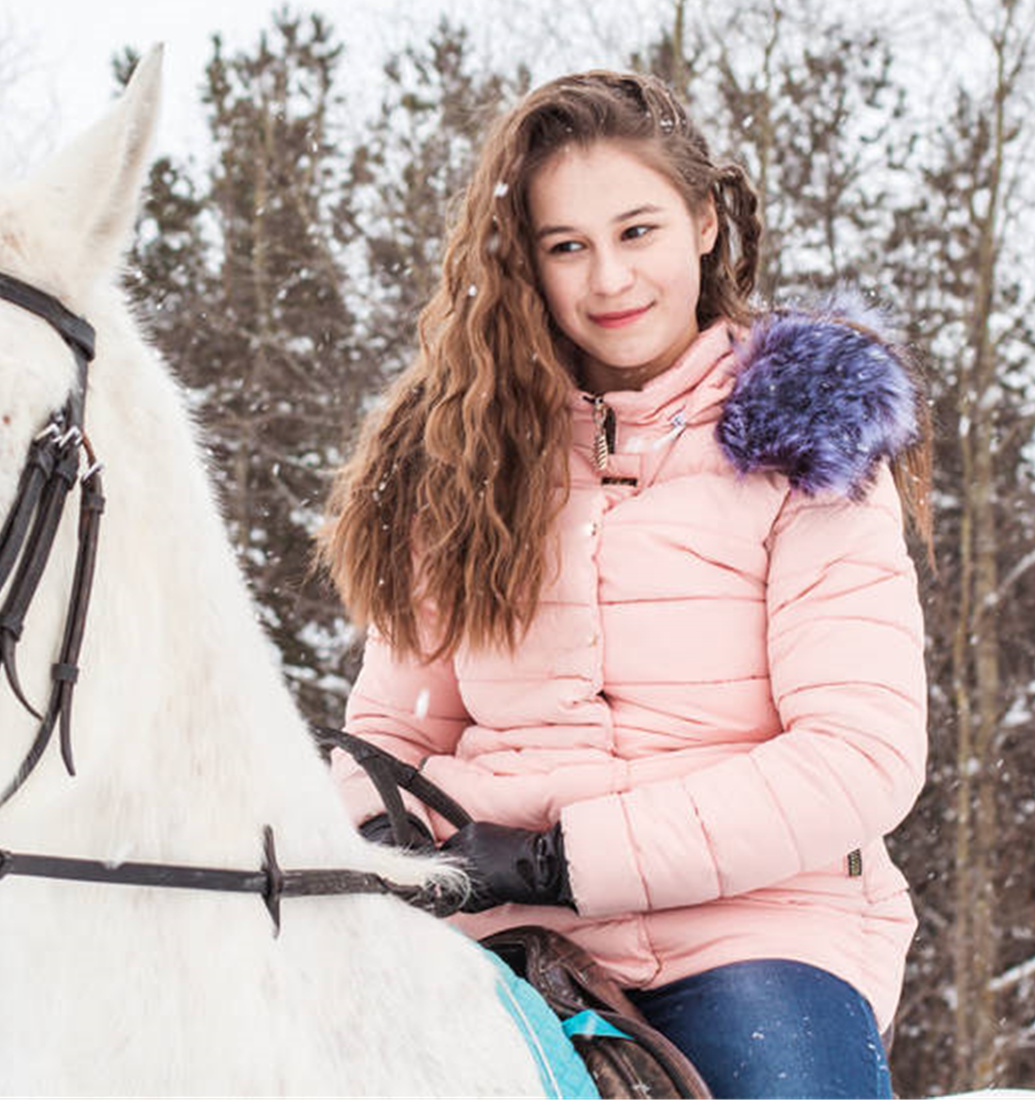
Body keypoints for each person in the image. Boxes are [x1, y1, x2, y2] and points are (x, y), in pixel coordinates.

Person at [321, 70, 931, 1100]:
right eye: (568, 245)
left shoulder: (807, 443)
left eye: (637, 230)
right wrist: (379, 835)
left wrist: (568, 857)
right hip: (493, 937)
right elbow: (397, 728)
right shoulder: (463, 454)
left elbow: (859, 756)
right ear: (527, 262)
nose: (609, 278)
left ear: (702, 222)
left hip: (755, 932)